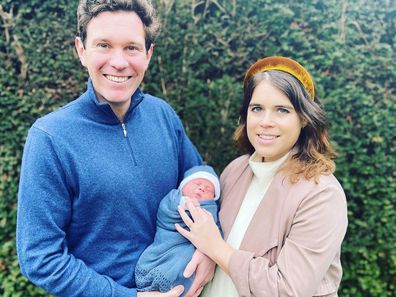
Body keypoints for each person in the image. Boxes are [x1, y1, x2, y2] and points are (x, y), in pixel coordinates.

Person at [16, 1, 215, 296]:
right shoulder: (50, 137)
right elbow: (40, 258)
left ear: (148, 54)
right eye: (104, 45)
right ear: (81, 50)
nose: (119, 62)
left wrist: (212, 248)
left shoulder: (163, 116)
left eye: (132, 48)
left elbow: (203, 188)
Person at [176, 56, 348, 297]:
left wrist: (216, 247)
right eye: (257, 109)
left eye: (282, 110)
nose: (266, 122)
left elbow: (287, 290)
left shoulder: (321, 194)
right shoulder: (235, 170)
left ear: (304, 118)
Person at [135, 165, 221, 296]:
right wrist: (185, 204)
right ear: (183, 186)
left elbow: (215, 230)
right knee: (169, 260)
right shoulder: (174, 197)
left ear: (214, 197)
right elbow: (165, 212)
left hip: (190, 251)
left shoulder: (211, 209)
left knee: (184, 260)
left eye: (209, 189)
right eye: (197, 183)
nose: (202, 188)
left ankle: (179, 286)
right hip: (168, 241)